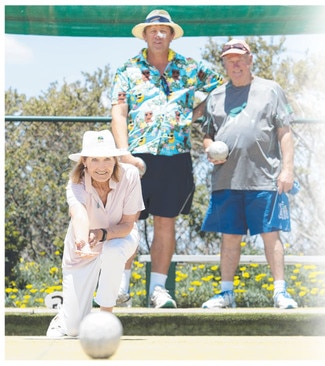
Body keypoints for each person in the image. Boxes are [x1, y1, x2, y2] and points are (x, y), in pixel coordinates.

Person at [110, 9, 223, 308]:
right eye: (153, 30)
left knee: (166, 223)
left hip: (177, 156)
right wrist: (123, 154)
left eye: (164, 30)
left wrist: (194, 114)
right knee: (128, 223)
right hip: (137, 156)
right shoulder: (127, 69)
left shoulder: (190, 67)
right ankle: (120, 290)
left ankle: (158, 291)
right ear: (144, 35)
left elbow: (221, 89)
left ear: (172, 35)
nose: (158, 34)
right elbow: (118, 113)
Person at [198, 39, 298, 309]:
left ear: (251, 59)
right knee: (229, 238)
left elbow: (284, 132)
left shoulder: (271, 90)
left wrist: (287, 169)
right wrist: (210, 149)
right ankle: (226, 293)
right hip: (226, 180)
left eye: (240, 58)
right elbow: (206, 135)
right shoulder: (216, 96)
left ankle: (280, 293)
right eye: (230, 60)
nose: (236, 64)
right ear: (224, 64)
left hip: (265, 178)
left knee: (271, 234)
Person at [46, 130, 144, 337]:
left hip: (120, 236)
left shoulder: (131, 175)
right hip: (84, 243)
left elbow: (127, 224)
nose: (102, 166)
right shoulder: (75, 183)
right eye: (95, 160)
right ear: (84, 162)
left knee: (113, 250)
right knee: (73, 329)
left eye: (107, 159)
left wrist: (102, 234)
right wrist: (83, 243)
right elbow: (79, 214)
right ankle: (64, 316)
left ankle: (104, 321)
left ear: (115, 160)